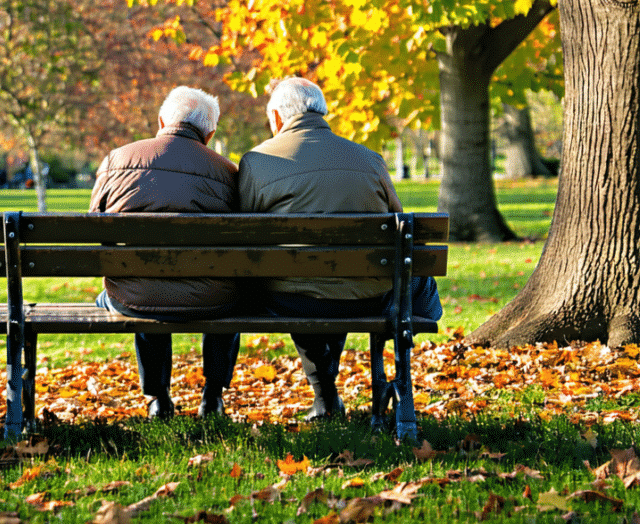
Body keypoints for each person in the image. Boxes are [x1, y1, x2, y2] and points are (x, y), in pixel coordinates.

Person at [238, 77, 443, 421]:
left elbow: (244, 233)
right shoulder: (369, 159)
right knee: (343, 278)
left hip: (291, 295)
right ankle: (328, 397)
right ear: (322, 112)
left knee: (305, 281)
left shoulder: (257, 161)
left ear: (276, 117)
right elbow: (399, 225)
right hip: (368, 293)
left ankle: (326, 398)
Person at [90, 86, 241, 419]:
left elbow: (97, 234)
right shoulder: (228, 172)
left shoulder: (116, 160)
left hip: (133, 295)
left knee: (141, 284)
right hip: (210, 298)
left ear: (161, 120)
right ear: (210, 133)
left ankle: (158, 398)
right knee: (229, 292)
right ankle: (212, 397)